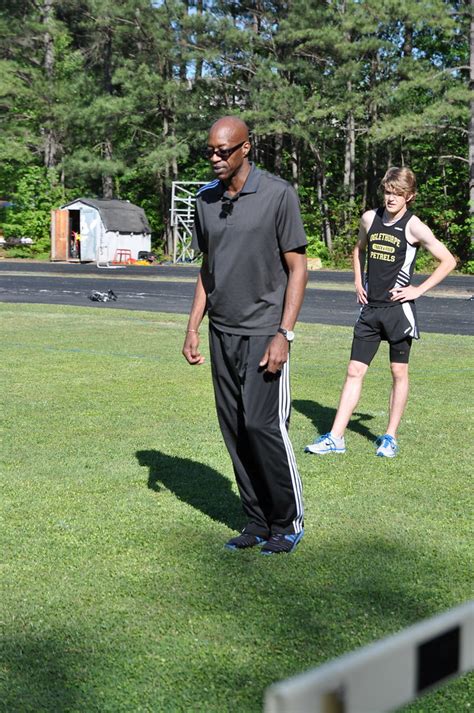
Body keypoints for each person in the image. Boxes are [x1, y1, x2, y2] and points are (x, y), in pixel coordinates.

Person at [182, 116, 308, 555]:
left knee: (264, 425)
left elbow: (298, 268)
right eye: (211, 151)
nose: (215, 158)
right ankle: (255, 521)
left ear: (245, 148)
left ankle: (287, 521)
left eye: (224, 151)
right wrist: (193, 325)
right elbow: (207, 267)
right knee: (235, 428)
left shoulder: (278, 195)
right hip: (222, 332)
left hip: (264, 333)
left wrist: (283, 334)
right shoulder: (205, 200)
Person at [305, 166, 456, 458]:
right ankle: (336, 437)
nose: (390, 198)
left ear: (409, 196)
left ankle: (390, 436)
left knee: (398, 371)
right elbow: (358, 249)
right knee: (354, 370)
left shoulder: (414, 227)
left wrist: (418, 290)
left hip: (398, 311)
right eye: (387, 192)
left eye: (397, 194)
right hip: (370, 309)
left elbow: (448, 260)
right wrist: (357, 281)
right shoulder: (369, 218)